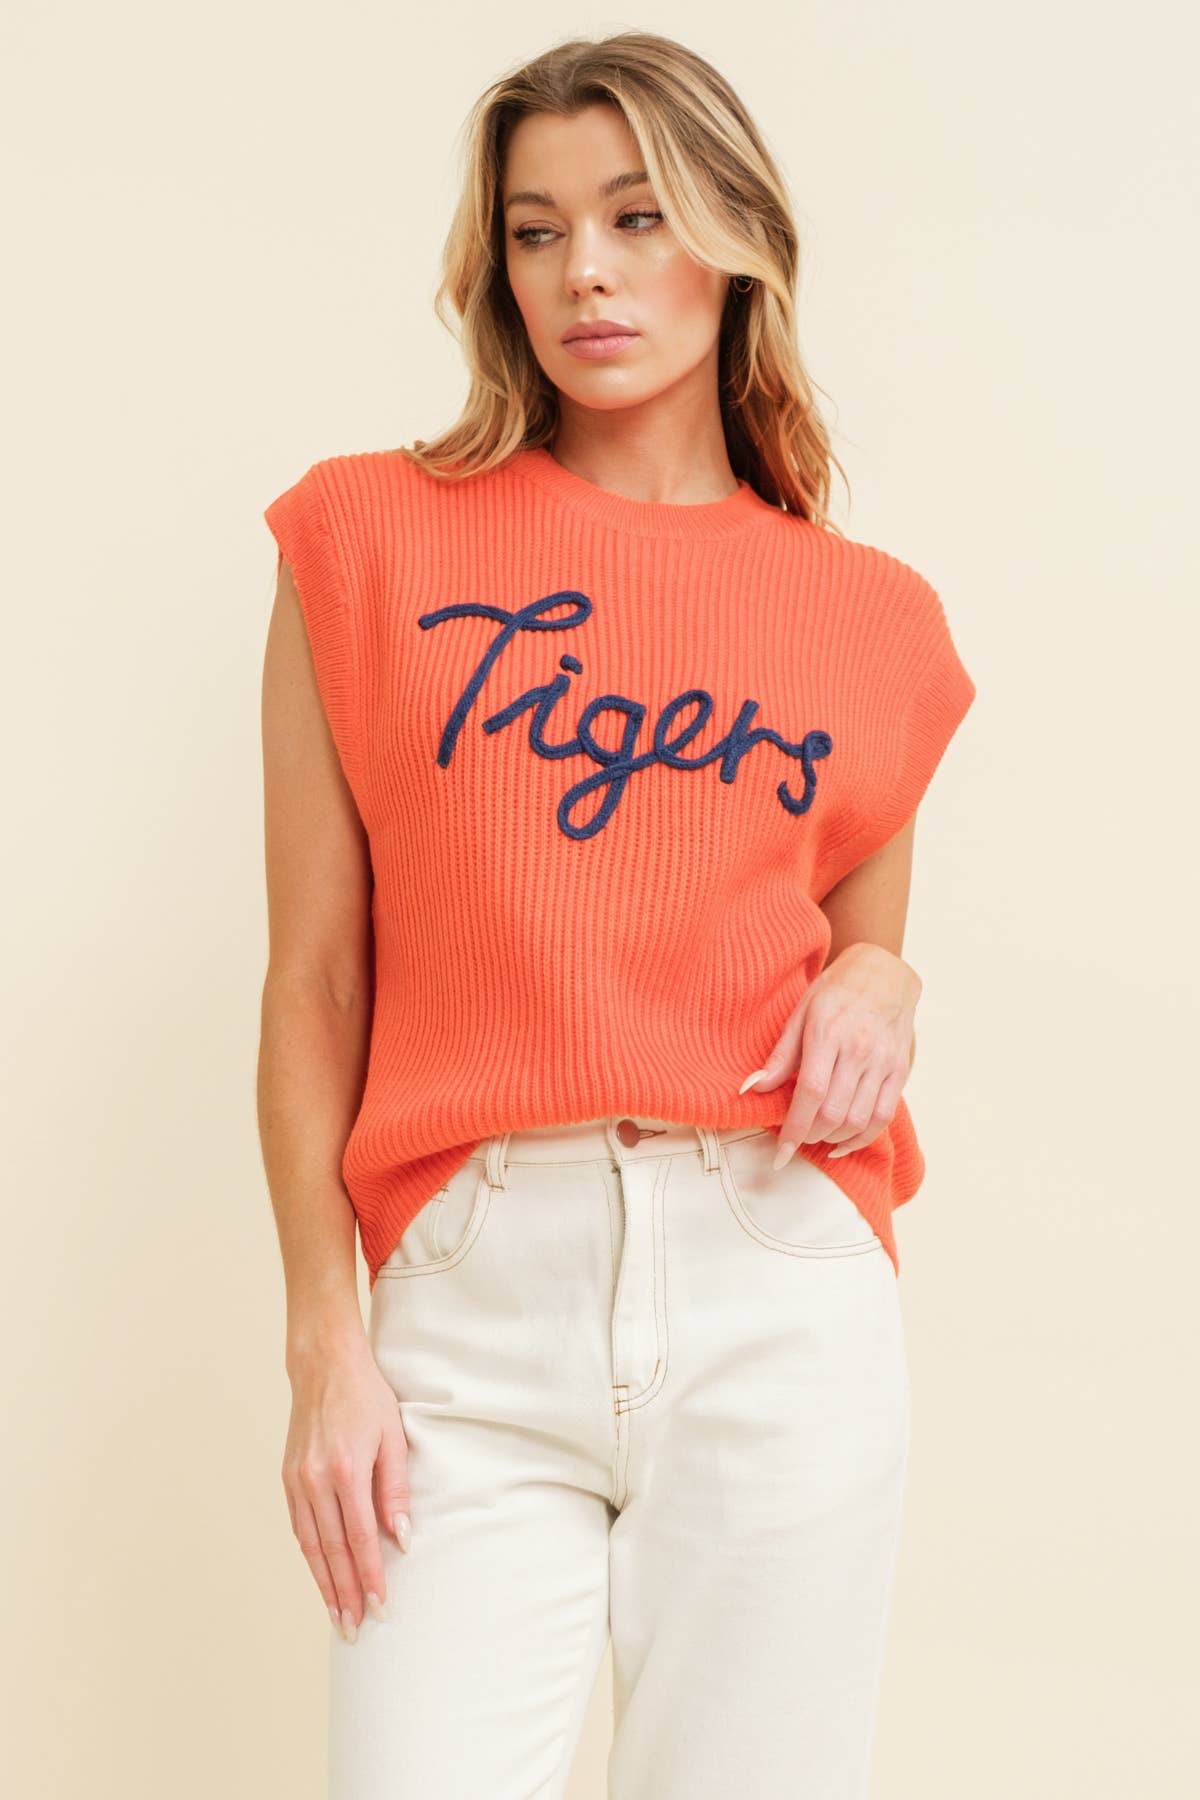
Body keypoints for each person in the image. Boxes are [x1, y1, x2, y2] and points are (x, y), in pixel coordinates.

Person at [257, 29, 977, 1800]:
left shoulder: (871, 618)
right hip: (467, 1295)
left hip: (775, 1280)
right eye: (537, 229)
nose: (585, 269)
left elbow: (863, 948)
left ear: (735, 242)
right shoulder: (366, 541)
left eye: (638, 216)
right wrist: (326, 1338)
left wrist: (885, 984)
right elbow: (317, 979)